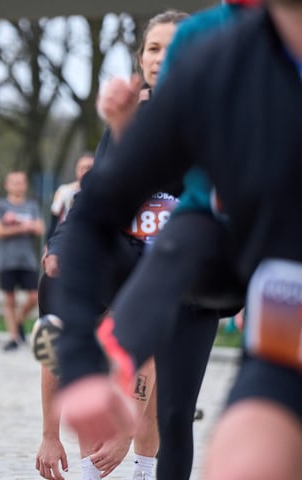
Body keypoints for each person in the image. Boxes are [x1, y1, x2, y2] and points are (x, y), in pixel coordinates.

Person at [51, 2, 302, 479]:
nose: (159, 58)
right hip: (264, 283)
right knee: (248, 459)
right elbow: (98, 209)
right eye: (152, 49)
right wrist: (83, 358)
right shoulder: (214, 53)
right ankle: (116, 352)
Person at [34, 11, 190, 480]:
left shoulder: (215, 116)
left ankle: (139, 461)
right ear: (141, 59)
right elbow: (94, 198)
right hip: (123, 254)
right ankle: (84, 464)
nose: (161, 58)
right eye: (153, 49)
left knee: (162, 386)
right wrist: (61, 245)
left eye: (174, 46)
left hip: (181, 261)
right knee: (63, 306)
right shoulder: (127, 118)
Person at [0, 171, 44, 351]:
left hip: (27, 259)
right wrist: (23, 227)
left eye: (20, 182)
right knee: (9, 299)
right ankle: (13, 337)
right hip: (6, 260)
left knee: (33, 297)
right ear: (7, 185)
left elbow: (39, 229)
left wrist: (16, 225)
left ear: (25, 185)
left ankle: (18, 320)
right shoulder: (2, 206)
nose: (17, 185)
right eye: (13, 182)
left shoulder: (32, 206)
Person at [47, 152, 95, 240]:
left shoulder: (105, 192)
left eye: (89, 168)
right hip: (69, 239)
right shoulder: (64, 190)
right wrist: (48, 244)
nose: (84, 172)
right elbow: (54, 221)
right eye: (81, 168)